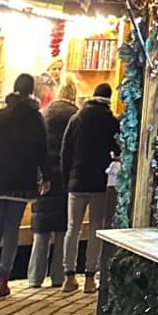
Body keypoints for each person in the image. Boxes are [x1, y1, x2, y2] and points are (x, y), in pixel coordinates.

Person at [0, 73, 47, 298]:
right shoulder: (35, 118)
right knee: (11, 230)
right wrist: (47, 176)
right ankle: (4, 279)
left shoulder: (1, 115)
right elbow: (42, 150)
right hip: (21, 179)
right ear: (32, 90)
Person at [61, 82, 120, 293]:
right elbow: (118, 149)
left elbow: (65, 152)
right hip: (99, 183)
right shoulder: (111, 121)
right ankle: (89, 277)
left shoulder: (76, 119)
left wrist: (66, 179)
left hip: (76, 183)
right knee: (96, 228)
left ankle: (68, 276)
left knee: (72, 229)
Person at [28, 80, 78, 290]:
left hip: (45, 177)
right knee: (62, 229)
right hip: (65, 178)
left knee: (41, 228)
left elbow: (34, 146)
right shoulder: (76, 115)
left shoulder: (43, 113)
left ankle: (34, 277)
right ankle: (58, 276)